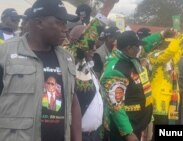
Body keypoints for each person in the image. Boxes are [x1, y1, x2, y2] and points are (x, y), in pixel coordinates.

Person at [0, 0, 82, 141]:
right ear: (39, 23)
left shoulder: (66, 58)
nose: (65, 29)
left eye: (66, 24)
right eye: (60, 23)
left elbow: (73, 102)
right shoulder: (5, 54)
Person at [101, 31, 153, 141]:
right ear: (128, 49)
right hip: (124, 132)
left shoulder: (132, 61)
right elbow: (116, 106)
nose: (139, 50)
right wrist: (128, 133)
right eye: (137, 47)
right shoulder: (116, 70)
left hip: (137, 126)